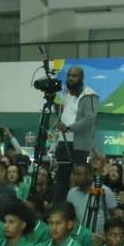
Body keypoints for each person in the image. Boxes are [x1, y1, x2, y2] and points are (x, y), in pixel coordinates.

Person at [53, 66, 98, 201]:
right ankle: (61, 207)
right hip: (63, 141)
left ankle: (84, 204)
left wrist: (69, 128)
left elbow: (90, 118)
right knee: (62, 179)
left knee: (81, 178)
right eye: (69, 76)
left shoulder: (89, 95)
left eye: (74, 76)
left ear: (81, 78)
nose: (70, 78)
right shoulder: (64, 94)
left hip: (80, 144)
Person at [66, 164, 115, 238]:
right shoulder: (71, 193)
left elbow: (114, 215)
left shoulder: (105, 191)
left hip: (100, 238)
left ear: (89, 175)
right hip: (79, 237)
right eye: (74, 174)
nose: (75, 178)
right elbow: (69, 216)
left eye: (79, 175)